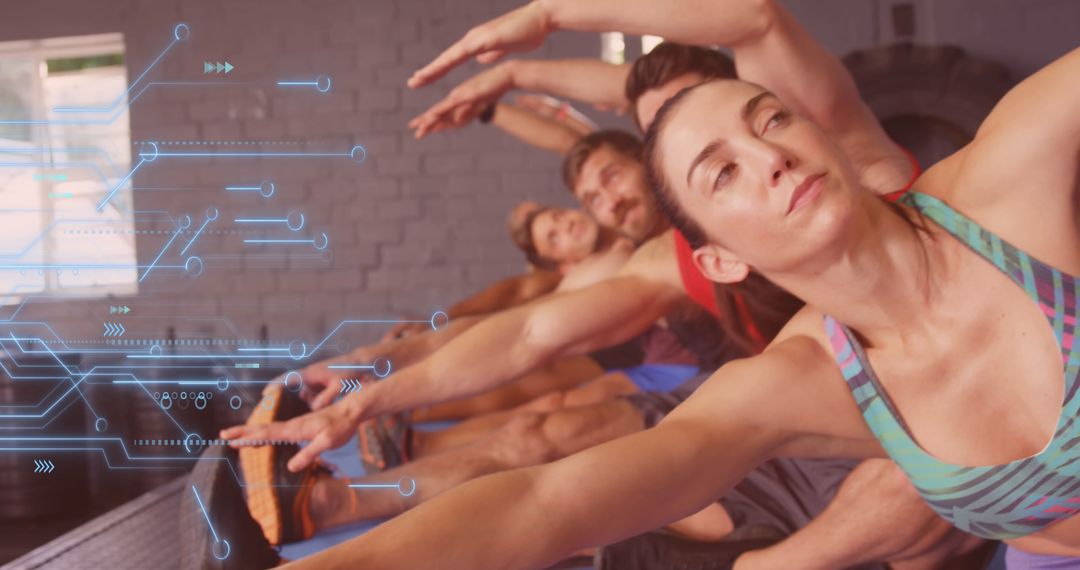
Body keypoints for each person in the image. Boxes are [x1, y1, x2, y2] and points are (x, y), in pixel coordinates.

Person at [268, 30, 1080, 569]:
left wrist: (543, 25)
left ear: (825, 134)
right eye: (723, 172)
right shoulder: (803, 379)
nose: (769, 157)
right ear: (719, 258)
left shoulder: (1007, 182)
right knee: (551, 433)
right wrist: (368, 407)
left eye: (771, 121)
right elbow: (547, 502)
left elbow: (756, 19)